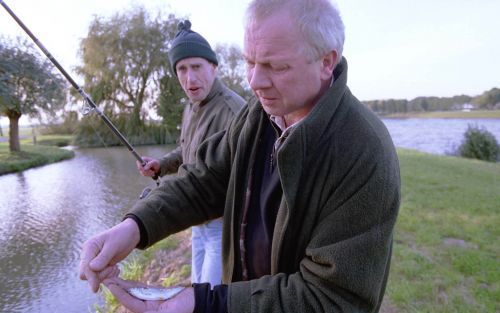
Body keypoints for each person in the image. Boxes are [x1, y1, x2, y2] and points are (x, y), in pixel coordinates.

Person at [79, 0, 401, 312]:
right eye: (250, 62)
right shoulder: (257, 113)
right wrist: (135, 226)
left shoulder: (364, 153)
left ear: (326, 62)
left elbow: (332, 299)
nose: (255, 82)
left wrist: (206, 303)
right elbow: (204, 181)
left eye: (276, 66)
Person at [136, 20, 245, 288]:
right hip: (197, 223)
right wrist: (160, 165)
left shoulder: (234, 112)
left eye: (196, 67)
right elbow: (187, 150)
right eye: (182, 69)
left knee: (210, 299)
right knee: (197, 288)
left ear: (214, 67)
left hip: (223, 227)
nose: (190, 78)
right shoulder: (191, 106)